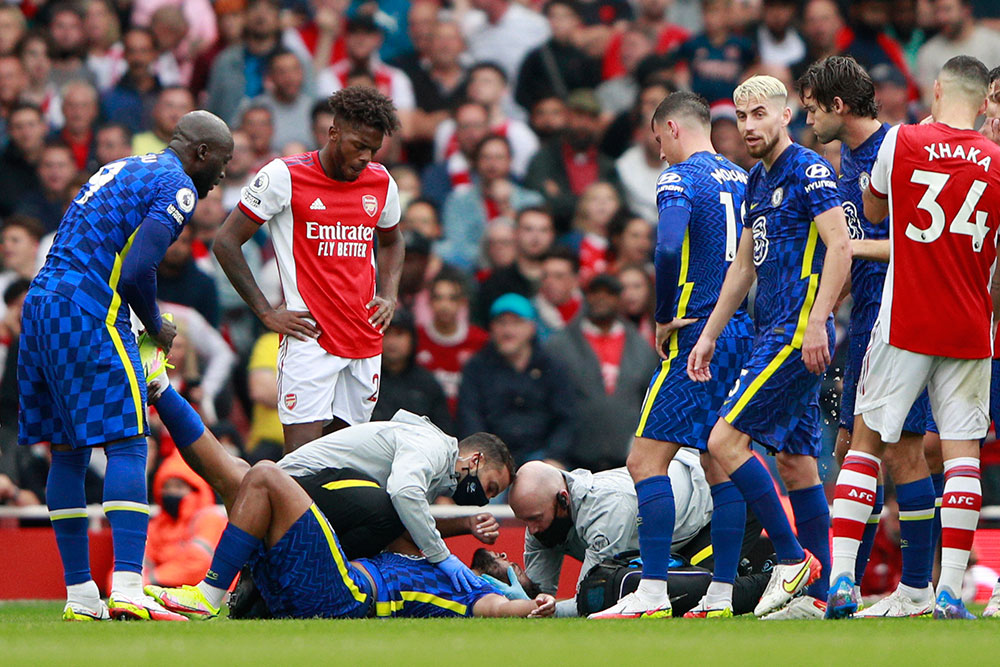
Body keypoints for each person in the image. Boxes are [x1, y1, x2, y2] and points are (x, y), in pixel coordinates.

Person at [18, 109, 233, 621]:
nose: (222, 175)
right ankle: (129, 586)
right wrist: (155, 323)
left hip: (42, 304)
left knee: (67, 449)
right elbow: (138, 269)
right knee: (129, 441)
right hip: (88, 310)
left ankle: (80, 594)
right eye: (222, 162)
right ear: (200, 153)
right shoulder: (176, 185)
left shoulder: (126, 166)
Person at [827, 56, 1000, 621]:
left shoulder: (900, 141)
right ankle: (950, 591)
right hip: (971, 325)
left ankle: (844, 582)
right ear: (982, 102)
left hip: (906, 319)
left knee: (867, 444)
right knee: (962, 456)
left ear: (937, 89)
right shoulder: (998, 161)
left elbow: (877, 212)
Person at [687, 75, 851, 619]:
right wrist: (709, 334)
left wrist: (819, 321)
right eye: (741, 118)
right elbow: (741, 266)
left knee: (723, 442)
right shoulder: (758, 180)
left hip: (796, 330)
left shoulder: (809, 169)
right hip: (771, 328)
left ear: (784, 116)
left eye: (760, 114)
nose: (749, 126)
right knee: (798, 462)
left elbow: (841, 248)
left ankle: (790, 558)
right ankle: (821, 598)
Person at [588, 92, 755, 620]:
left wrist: (663, 313)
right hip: (740, 330)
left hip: (695, 334)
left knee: (644, 460)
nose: (658, 150)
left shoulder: (678, 178)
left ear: (674, 129)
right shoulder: (741, 177)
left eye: (658, 138)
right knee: (719, 461)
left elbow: (665, 247)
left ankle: (653, 590)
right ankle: (723, 596)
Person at [798, 55, 937, 618]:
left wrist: (848, 259)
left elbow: (925, 243)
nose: (807, 122)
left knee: (892, 451)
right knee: (860, 449)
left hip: (898, 318)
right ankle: (862, 587)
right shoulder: (850, 160)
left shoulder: (894, 153)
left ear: (837, 105)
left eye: (811, 109)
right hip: (869, 320)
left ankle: (897, 590)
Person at [213, 86, 404, 453]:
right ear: (332, 133)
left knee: (346, 460)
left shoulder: (381, 183)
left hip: (364, 339)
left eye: (373, 149)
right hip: (310, 337)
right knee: (300, 464)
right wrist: (265, 312)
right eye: (358, 145)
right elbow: (226, 241)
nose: (365, 157)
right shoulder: (285, 175)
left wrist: (389, 294)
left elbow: (394, 241)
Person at [509, 454, 714, 616]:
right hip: (673, 512)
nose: (532, 530)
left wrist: (548, 611)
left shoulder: (606, 511)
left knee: (706, 596)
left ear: (564, 500)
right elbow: (536, 598)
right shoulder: (539, 515)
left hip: (707, 498)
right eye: (525, 521)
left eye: (535, 519)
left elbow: (591, 599)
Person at [545, 273, 659, 471]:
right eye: (595, 293)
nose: (601, 298)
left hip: (627, 460)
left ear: (619, 298)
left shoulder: (641, 347)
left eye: (609, 293)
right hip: (572, 459)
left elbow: (649, 400)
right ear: (586, 297)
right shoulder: (559, 346)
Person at [458, 293, 575, 464]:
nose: (508, 331)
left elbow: (567, 418)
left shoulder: (552, 367)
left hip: (541, 455)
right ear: (491, 327)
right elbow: (470, 416)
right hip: (492, 458)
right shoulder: (477, 368)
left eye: (516, 323)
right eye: (501, 323)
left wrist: (555, 456)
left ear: (532, 327)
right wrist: (482, 455)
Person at [143, 452, 227, 588]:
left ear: (196, 489)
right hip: (165, 594)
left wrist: (149, 581)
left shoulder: (210, 519)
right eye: (166, 487)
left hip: (211, 599)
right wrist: (128, 584)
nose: (171, 492)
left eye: (178, 486)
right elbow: (129, 565)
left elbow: (199, 565)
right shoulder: (156, 525)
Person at [416, 268, 489, 416]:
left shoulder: (480, 341)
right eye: (438, 298)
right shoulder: (416, 339)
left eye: (452, 298)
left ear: (463, 302)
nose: (444, 305)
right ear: (429, 302)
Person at [371, 309, 452, 432]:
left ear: (412, 339)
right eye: (386, 333)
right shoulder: (367, 379)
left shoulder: (427, 383)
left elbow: (443, 431)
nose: (392, 342)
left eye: (399, 334)